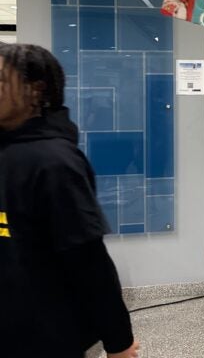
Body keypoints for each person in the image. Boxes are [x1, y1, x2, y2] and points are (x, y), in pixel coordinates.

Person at [0, 44, 138, 358]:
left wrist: (118, 342)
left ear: (35, 91)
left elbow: (88, 261)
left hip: (44, 338)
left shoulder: (55, 162)